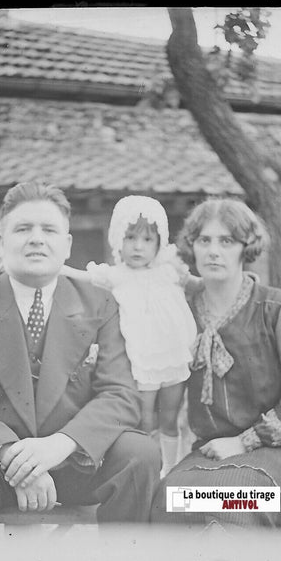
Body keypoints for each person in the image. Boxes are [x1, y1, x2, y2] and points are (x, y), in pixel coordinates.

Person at [0, 181, 160, 526]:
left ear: (66, 245)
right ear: (1, 242)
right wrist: (13, 457)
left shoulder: (100, 303)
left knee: (140, 453)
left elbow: (120, 395)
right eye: (22, 229)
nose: (36, 238)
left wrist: (60, 445)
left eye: (49, 229)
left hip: (75, 462)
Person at [150, 198, 281, 529]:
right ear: (191, 247)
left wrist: (243, 442)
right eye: (204, 240)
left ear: (245, 248)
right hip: (212, 453)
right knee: (170, 499)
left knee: (239, 500)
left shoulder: (275, 307)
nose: (213, 251)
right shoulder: (184, 311)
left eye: (226, 241)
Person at [61, 195, 199, 476]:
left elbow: (199, 286)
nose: (138, 247)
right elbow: (82, 277)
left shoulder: (170, 270)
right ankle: (150, 471)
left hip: (173, 356)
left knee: (171, 418)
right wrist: (56, 266)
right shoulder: (117, 275)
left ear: (159, 242)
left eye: (147, 240)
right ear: (117, 240)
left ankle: (171, 471)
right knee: (145, 420)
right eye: (130, 238)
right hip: (141, 360)